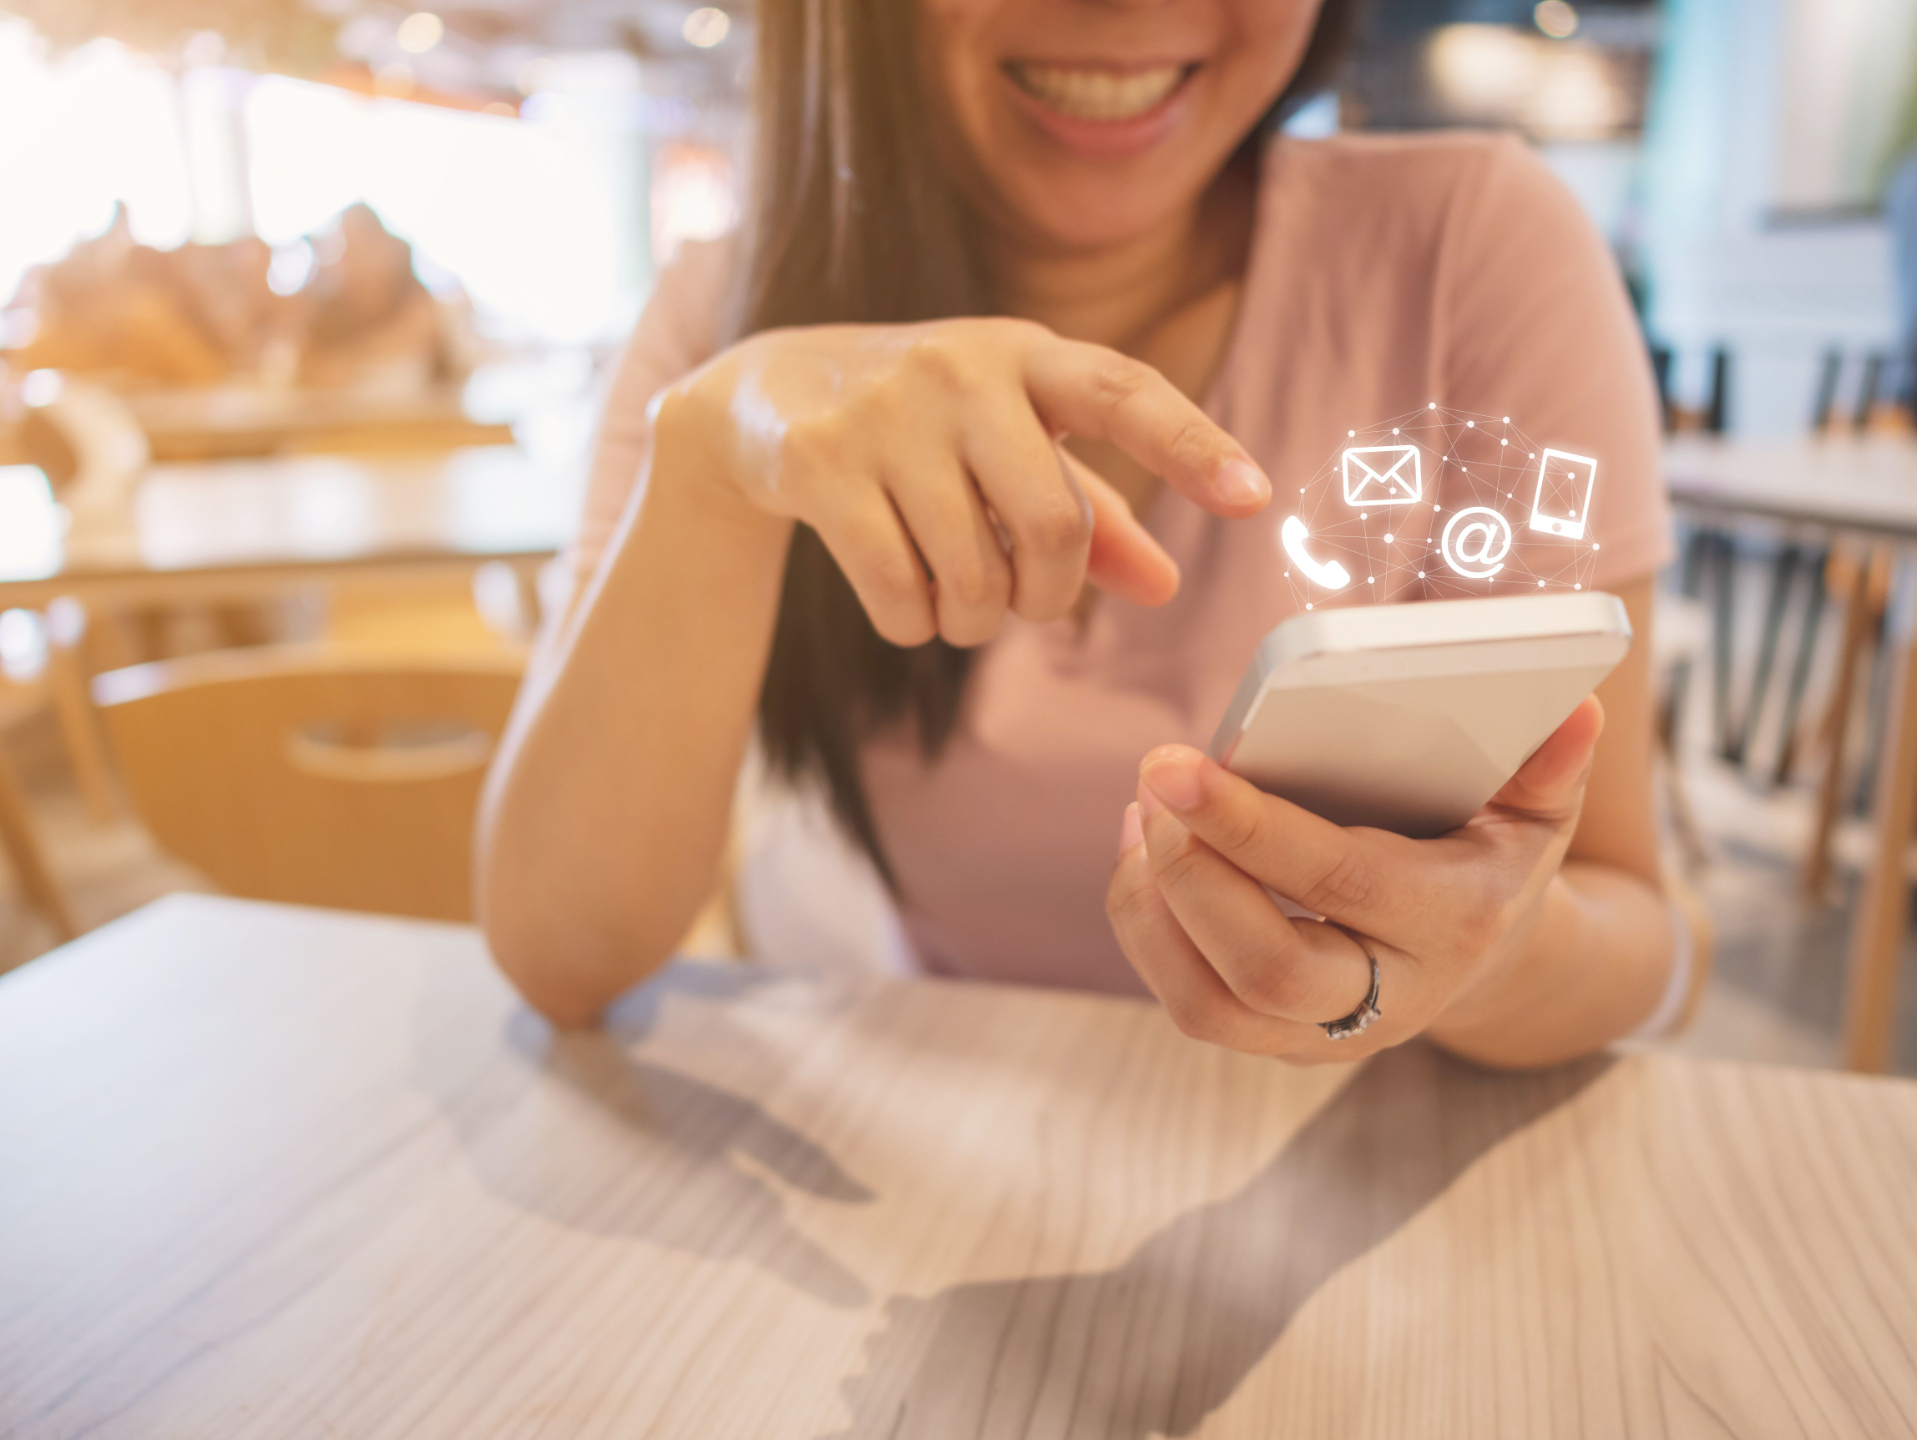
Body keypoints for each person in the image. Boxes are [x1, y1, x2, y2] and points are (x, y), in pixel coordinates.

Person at [479, 0, 1701, 1069]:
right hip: (959, 1146)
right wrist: (711, 465)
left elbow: (1639, 935)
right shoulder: (730, 318)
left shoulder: (1476, 248)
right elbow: (560, 954)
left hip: (1389, 1167)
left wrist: (1480, 953)